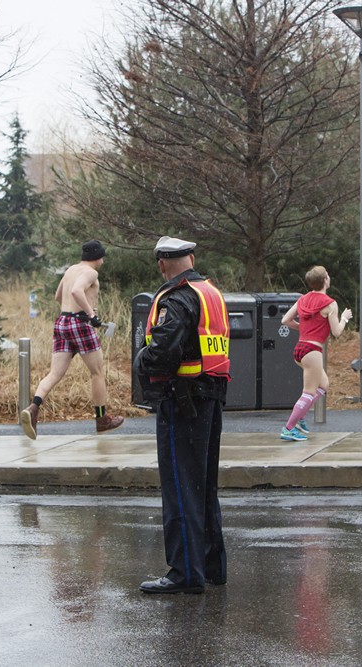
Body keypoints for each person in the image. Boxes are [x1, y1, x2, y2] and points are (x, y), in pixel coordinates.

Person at [134, 235, 230, 594]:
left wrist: (141, 360)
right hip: (210, 397)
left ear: (162, 264)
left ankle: (184, 573)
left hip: (182, 400)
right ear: (190, 258)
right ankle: (211, 566)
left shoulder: (177, 298)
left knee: (180, 487)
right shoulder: (211, 293)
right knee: (203, 487)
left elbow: (163, 351)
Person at [20, 240, 124, 439]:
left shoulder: (71, 270)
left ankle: (33, 408)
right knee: (97, 373)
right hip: (80, 323)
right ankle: (102, 420)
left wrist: (83, 308)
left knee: (55, 373)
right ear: (98, 257)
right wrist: (90, 314)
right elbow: (77, 291)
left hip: (62, 322)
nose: (103, 261)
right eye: (102, 257)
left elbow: (59, 296)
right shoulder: (91, 273)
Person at [279, 266, 352, 441]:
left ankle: (300, 416)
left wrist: (303, 328)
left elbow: (285, 320)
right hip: (313, 351)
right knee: (309, 392)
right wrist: (344, 318)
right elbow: (336, 332)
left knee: (324, 385)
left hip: (300, 349)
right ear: (325, 280)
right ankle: (288, 428)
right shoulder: (330, 303)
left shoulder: (303, 299)